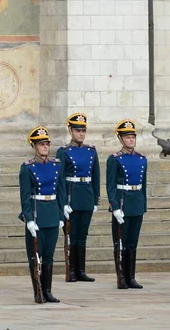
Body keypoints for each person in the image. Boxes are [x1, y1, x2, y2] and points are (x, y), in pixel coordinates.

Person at [19, 126, 66, 303]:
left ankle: (47, 290)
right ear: (34, 146)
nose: (45, 147)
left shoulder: (57, 166)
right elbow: (25, 197)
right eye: (41, 144)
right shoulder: (28, 168)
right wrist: (29, 219)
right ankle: (37, 290)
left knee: (48, 255)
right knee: (35, 256)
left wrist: (61, 215)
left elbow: (61, 192)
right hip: (37, 215)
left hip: (52, 213)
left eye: (46, 144)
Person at [56, 113, 99, 282]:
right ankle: (72, 270)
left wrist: (95, 199)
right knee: (71, 235)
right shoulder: (64, 152)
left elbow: (95, 176)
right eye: (78, 130)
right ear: (70, 131)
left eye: (83, 130)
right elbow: (59, 180)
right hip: (71, 196)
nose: (81, 134)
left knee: (82, 235)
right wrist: (63, 202)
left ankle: (81, 270)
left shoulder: (91, 151)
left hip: (86, 196)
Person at [106, 119, 147, 289]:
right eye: (127, 137)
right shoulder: (115, 159)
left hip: (136, 202)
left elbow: (144, 184)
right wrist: (115, 207)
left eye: (132, 137)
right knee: (120, 242)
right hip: (123, 203)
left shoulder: (142, 159)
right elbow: (110, 185)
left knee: (132, 242)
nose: (131, 140)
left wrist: (143, 204)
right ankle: (121, 277)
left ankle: (131, 276)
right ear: (121, 139)